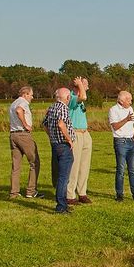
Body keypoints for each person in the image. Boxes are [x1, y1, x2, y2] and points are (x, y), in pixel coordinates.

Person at [43, 87, 75, 214]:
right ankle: (61, 205)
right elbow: (61, 124)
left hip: (55, 144)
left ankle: (62, 203)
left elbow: (45, 124)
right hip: (63, 145)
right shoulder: (63, 108)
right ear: (67, 97)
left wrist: (51, 136)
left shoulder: (51, 107)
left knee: (60, 175)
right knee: (64, 177)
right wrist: (69, 139)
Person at [107, 90, 134, 203]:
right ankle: (119, 194)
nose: (131, 102)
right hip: (120, 142)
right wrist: (126, 119)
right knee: (121, 170)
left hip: (131, 141)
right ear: (121, 101)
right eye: (129, 100)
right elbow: (115, 126)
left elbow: (131, 124)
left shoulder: (130, 109)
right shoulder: (113, 110)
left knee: (133, 170)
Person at [8, 86, 42, 199]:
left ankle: (14, 192)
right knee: (34, 162)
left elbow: (16, 109)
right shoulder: (22, 103)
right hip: (23, 135)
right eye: (31, 95)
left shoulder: (13, 103)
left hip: (13, 134)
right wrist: (26, 125)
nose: (32, 97)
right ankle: (31, 191)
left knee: (16, 165)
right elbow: (19, 110)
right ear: (25, 94)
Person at [66, 76, 93, 205]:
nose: (87, 87)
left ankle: (82, 192)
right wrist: (80, 85)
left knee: (84, 165)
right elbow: (83, 96)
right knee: (74, 165)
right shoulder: (71, 97)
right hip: (75, 133)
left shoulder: (80, 100)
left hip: (84, 133)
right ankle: (70, 195)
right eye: (85, 85)